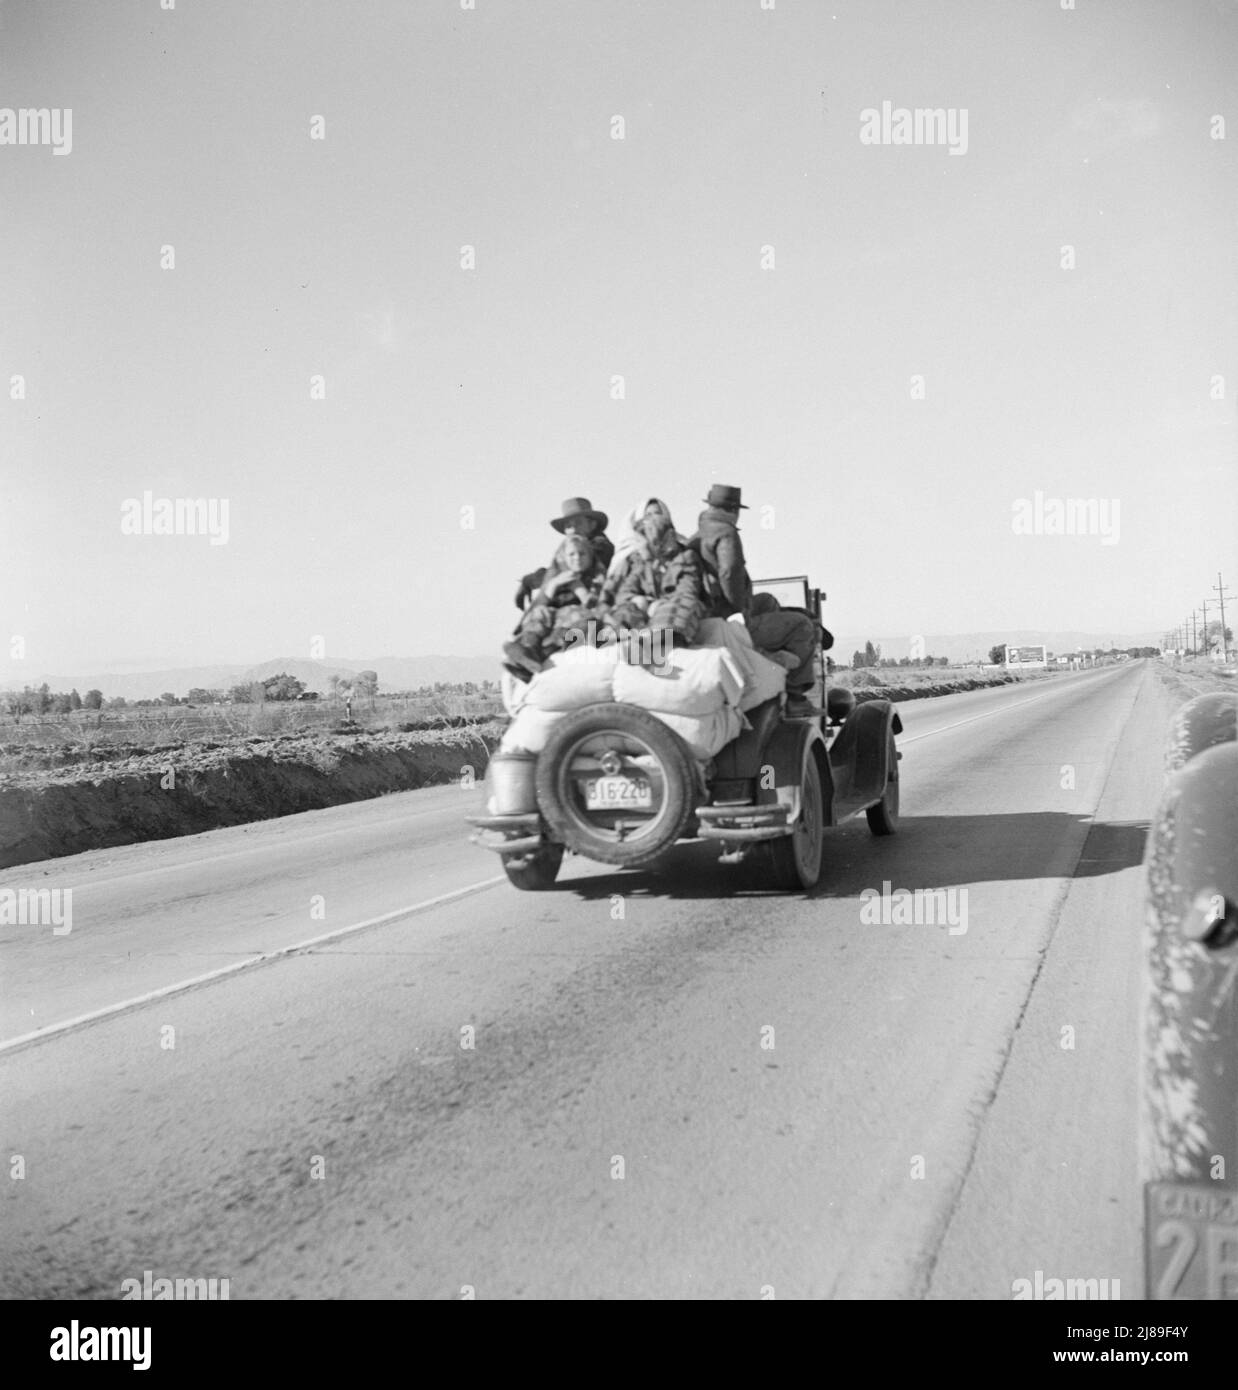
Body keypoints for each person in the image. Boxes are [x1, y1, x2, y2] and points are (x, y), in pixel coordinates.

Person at [689, 483, 821, 715]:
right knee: (802, 625)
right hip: (728, 618)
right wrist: (739, 608)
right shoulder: (725, 532)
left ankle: (769, 654)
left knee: (767, 600)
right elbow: (729, 572)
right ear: (733, 510)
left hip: (710, 614)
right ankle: (794, 697)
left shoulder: (700, 534)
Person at [603, 499, 705, 659]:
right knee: (627, 609)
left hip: (670, 609)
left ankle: (660, 644)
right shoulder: (640, 560)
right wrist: (642, 601)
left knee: (682, 605)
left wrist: (659, 604)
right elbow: (624, 592)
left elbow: (688, 590)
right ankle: (620, 641)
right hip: (645, 612)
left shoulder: (685, 556)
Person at [503, 534, 605, 678]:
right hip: (554, 621)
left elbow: (597, 606)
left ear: (590, 556)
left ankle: (538, 655)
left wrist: (579, 587)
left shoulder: (596, 577)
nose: (577, 558)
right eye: (572, 554)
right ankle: (527, 651)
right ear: (564, 557)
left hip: (579, 623)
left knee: (579, 615)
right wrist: (554, 585)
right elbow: (540, 604)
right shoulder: (558, 576)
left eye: (582, 554)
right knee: (540, 612)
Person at [513, 497, 614, 611]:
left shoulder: (601, 545)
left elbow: (568, 570)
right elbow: (556, 569)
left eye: (578, 523)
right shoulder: (568, 548)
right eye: (569, 526)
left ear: (592, 524)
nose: (573, 530)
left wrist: (530, 581)